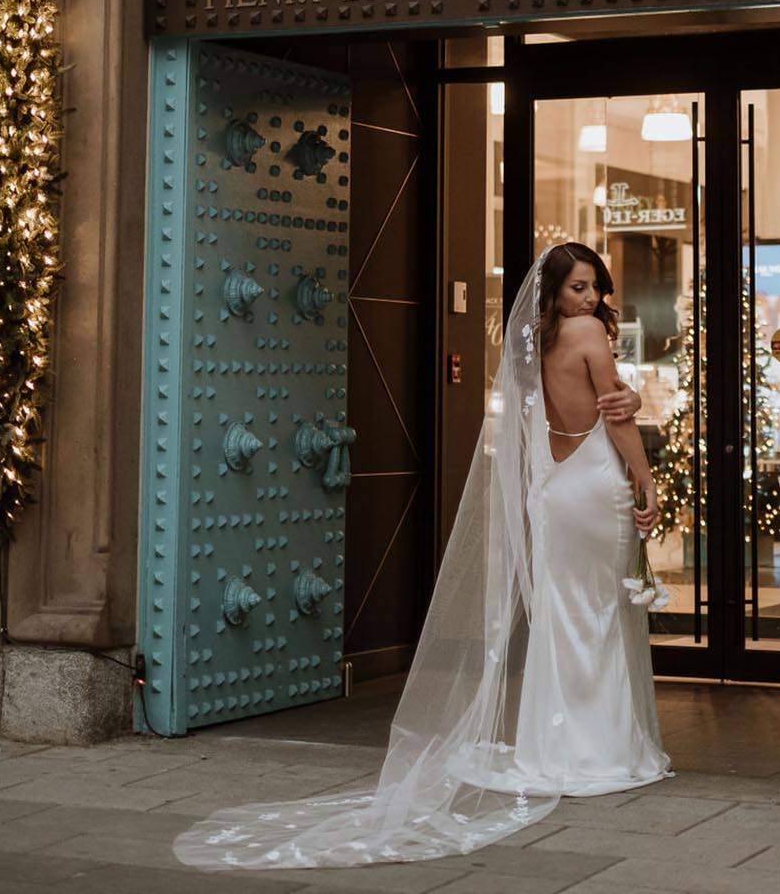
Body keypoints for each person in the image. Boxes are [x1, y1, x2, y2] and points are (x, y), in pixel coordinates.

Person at [174, 242, 671, 873]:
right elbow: (616, 420)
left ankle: (552, 749)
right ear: (554, 292)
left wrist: (619, 402)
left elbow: (546, 417)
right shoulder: (590, 336)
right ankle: (600, 752)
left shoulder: (534, 345)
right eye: (578, 287)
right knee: (596, 614)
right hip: (594, 481)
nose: (592, 298)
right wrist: (646, 477)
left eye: (595, 287)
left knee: (561, 613)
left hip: (553, 488)